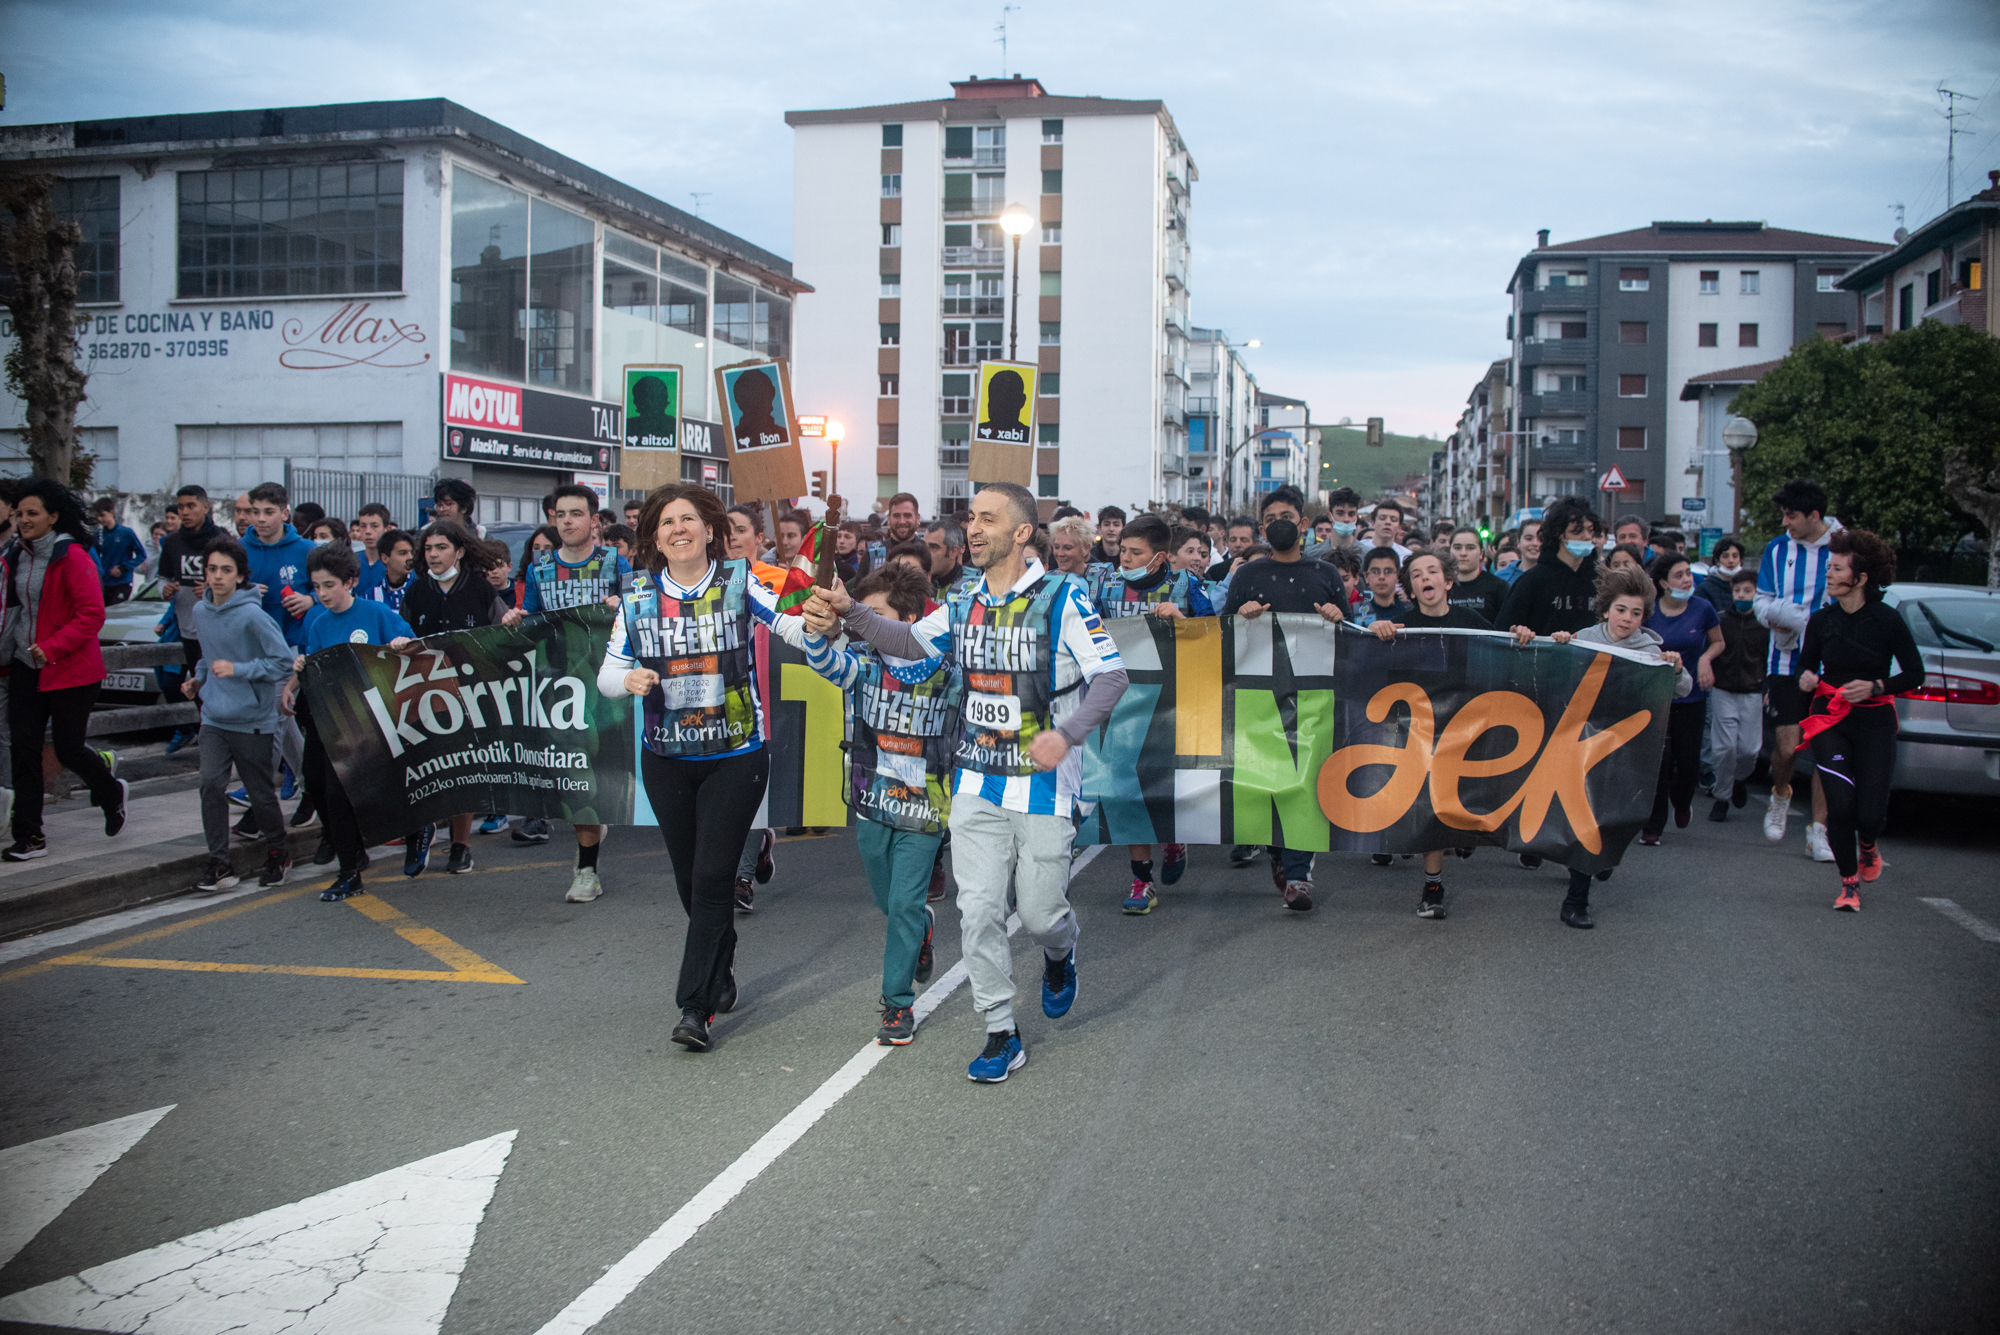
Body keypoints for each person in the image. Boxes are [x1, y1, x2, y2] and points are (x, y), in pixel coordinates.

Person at [804, 481, 1130, 1083]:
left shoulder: (1065, 596)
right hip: (976, 780)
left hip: (1044, 785)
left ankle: (1061, 952)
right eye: (971, 517)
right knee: (978, 911)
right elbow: (904, 640)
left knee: (1041, 915)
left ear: (1022, 532)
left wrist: (1067, 734)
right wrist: (850, 610)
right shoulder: (962, 600)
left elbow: (1111, 678)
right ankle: (1000, 1030)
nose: (972, 528)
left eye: (987, 519)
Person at [596, 483, 818, 1054]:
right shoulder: (637, 596)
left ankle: (696, 1007)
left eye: (688, 519)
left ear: (709, 529)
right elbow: (607, 675)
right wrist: (629, 679)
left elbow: (791, 625)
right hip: (666, 758)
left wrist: (819, 620)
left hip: (736, 754)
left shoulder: (741, 582)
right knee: (690, 881)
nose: (678, 529)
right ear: (655, 538)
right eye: (667, 522)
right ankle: (722, 958)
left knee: (715, 876)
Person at [799, 563, 955, 1044]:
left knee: (904, 902)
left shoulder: (951, 671)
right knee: (888, 901)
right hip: (873, 800)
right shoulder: (863, 662)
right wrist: (816, 629)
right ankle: (921, 930)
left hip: (927, 808)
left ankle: (897, 1004)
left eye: (876, 615)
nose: (863, 624)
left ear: (908, 620)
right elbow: (823, 662)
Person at [1545, 564, 1693, 927]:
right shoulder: (1583, 638)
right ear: (1606, 609)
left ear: (1645, 617)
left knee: (1612, 817)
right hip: (1581, 742)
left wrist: (1674, 668)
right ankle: (1575, 901)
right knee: (1586, 816)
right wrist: (1559, 646)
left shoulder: (1650, 649)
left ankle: (1601, 857)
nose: (1627, 619)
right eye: (1621, 609)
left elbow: (1684, 688)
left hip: (1627, 747)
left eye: (1636, 613)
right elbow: (1553, 676)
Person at [502, 485, 631, 902]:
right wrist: (516, 618)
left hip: (610, 686)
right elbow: (532, 620)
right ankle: (586, 870)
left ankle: (597, 836)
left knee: (608, 772)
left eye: (576, 514)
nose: (568, 521)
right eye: (561, 515)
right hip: (563, 687)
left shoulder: (615, 563)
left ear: (594, 521)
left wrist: (624, 605)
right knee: (577, 777)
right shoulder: (540, 568)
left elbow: (638, 611)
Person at [1219, 492, 1347, 903]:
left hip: (1312, 694)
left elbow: (1349, 634)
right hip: (1259, 694)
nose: (1280, 523)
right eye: (1271, 518)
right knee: (1267, 779)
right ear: (1262, 529)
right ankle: (1276, 848)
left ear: (1303, 524)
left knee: (1306, 778)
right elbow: (1222, 632)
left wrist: (1337, 617)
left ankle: (1298, 876)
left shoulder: (1326, 573)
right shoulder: (1247, 575)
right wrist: (1240, 616)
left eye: (1287, 516)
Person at [1087, 512, 1212, 914]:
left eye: (1134, 552)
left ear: (1159, 558)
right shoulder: (1103, 584)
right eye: (1122, 550)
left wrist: (1184, 621)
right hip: (1122, 703)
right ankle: (1142, 879)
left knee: (1166, 784)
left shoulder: (1185, 584)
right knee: (1125, 788)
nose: (1124, 558)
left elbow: (1216, 636)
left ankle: (1173, 837)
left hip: (1174, 702)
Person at [1794, 528, 1923, 912]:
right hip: (1830, 718)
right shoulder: (1821, 620)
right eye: (1829, 567)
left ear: (1861, 578)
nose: (1829, 574)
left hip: (1875, 721)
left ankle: (1868, 843)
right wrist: (1805, 677)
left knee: (1869, 814)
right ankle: (1849, 885)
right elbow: (1805, 665)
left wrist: (1876, 686)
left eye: (1837, 568)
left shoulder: (1886, 620)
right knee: (1840, 805)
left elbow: (1915, 674)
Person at [1, 480, 128, 860]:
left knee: (68, 749)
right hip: (25, 666)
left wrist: (52, 647)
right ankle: (29, 836)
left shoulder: (73, 557)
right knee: (24, 749)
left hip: (71, 669)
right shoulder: (16, 555)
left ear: (53, 517)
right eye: (19, 513)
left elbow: (92, 615)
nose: (24, 520)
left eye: (32, 513)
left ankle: (111, 792)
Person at [1364, 550, 1493, 919]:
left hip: (1466, 725)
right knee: (1430, 807)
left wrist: (1522, 635)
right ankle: (1432, 885)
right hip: (1420, 730)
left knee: (1459, 802)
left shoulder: (1471, 621)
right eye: (1417, 574)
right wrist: (1374, 634)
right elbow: (1370, 665)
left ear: (1448, 581)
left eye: (1432, 571)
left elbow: (1505, 649)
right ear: (1411, 589)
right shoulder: (1402, 627)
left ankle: (1462, 835)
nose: (1425, 578)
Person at [289, 544, 414, 900]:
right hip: (331, 718)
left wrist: (402, 643)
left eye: (329, 585)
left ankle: (354, 869)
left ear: (350, 582)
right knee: (318, 785)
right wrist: (301, 670)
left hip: (370, 721)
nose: (323, 594)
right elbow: (313, 662)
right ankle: (350, 856)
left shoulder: (376, 613)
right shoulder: (318, 623)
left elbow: (412, 646)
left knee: (347, 792)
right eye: (317, 587)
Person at [398, 519, 510, 876]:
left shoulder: (480, 589)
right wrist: (399, 642)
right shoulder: (416, 592)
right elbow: (400, 633)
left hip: (469, 696)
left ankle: (461, 845)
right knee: (422, 769)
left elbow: (503, 635)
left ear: (459, 551)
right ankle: (422, 831)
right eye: (429, 548)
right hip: (423, 697)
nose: (434, 554)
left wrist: (511, 625)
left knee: (464, 772)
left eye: (441, 547)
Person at [185, 537, 294, 892]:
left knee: (259, 792)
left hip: (252, 719)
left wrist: (239, 669)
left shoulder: (253, 616)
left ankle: (278, 852)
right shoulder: (200, 611)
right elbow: (207, 657)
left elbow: (282, 663)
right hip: (214, 717)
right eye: (212, 569)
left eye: (226, 570)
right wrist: (197, 680)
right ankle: (220, 863)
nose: (218, 576)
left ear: (241, 576)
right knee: (210, 785)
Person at [1754, 478, 1841, 861]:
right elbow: (1761, 600)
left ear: (1814, 515)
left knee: (1826, 750)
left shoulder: (1844, 548)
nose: (1785, 522)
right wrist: (1779, 614)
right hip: (1785, 661)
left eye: (1791, 516)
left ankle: (1818, 831)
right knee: (1787, 748)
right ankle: (1781, 794)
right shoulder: (1777, 549)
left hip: (1831, 666)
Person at [1638, 552, 1723, 844]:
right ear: (1663, 583)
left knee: (1688, 764)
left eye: (1688, 573)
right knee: (1659, 763)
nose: (1687, 579)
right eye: (1679, 575)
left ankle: (1683, 801)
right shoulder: (1649, 611)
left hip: (1692, 695)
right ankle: (1653, 826)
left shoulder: (1703, 608)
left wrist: (1705, 660)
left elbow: (1718, 642)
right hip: (1657, 696)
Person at [156, 485, 226, 754]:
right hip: (187, 627)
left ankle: (221, 744)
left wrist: (212, 588)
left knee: (219, 686)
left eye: (190, 506)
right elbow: (163, 577)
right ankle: (206, 740)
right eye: (180, 507)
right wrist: (165, 589)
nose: (184, 512)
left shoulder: (221, 540)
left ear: (205, 507)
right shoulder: (172, 542)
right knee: (197, 688)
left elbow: (239, 580)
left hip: (218, 626)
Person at [1707, 567, 1768, 822]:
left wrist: (1767, 688)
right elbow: (1709, 649)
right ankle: (1721, 797)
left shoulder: (1765, 624)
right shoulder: (1720, 620)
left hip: (1752, 692)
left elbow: (1770, 659)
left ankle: (1739, 779)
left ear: (1757, 593)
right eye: (1737, 590)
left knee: (1749, 750)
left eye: (1748, 591)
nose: (1742, 595)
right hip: (1723, 690)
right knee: (1724, 748)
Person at [1444, 526, 1508, 626]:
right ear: (1450, 551)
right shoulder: (1441, 587)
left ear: (1481, 553)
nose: (1463, 553)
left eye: (1470, 548)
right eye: (1457, 547)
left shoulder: (1499, 587)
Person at [91, 497, 146, 606]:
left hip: (122, 582)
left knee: (117, 610)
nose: (99, 519)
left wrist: (124, 567)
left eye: (102, 515)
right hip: (105, 582)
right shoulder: (98, 535)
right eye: (97, 516)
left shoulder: (126, 533)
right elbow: (95, 559)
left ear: (111, 512)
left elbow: (142, 555)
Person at [1353, 547, 1413, 628]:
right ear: (1366, 576)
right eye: (1375, 572)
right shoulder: (1358, 613)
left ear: (1398, 576)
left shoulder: (1410, 611)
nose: (1382, 577)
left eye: (1388, 572)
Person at [367, 529, 420, 613]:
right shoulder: (371, 596)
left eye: (412, 553)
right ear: (385, 558)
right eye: (403, 553)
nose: (410, 558)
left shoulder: (422, 591)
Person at [1696, 536, 1747, 615]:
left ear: (1740, 559)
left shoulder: (1750, 585)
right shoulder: (1704, 589)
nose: (1731, 561)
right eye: (1725, 556)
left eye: (1735, 556)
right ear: (1717, 560)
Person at [352, 502, 393, 594]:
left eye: (374, 526)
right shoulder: (350, 562)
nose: (368, 531)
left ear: (387, 530)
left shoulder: (395, 564)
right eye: (363, 526)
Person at [1208, 516, 1256, 582]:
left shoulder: (1262, 569)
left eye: (1244, 540)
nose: (1237, 544)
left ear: (1255, 543)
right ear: (1227, 542)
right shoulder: (1214, 572)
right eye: (1233, 540)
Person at [1496, 519, 1540, 586]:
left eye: (1540, 539)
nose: (1535, 543)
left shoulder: (1554, 575)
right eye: (1529, 538)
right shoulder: (1501, 576)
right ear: (1518, 542)